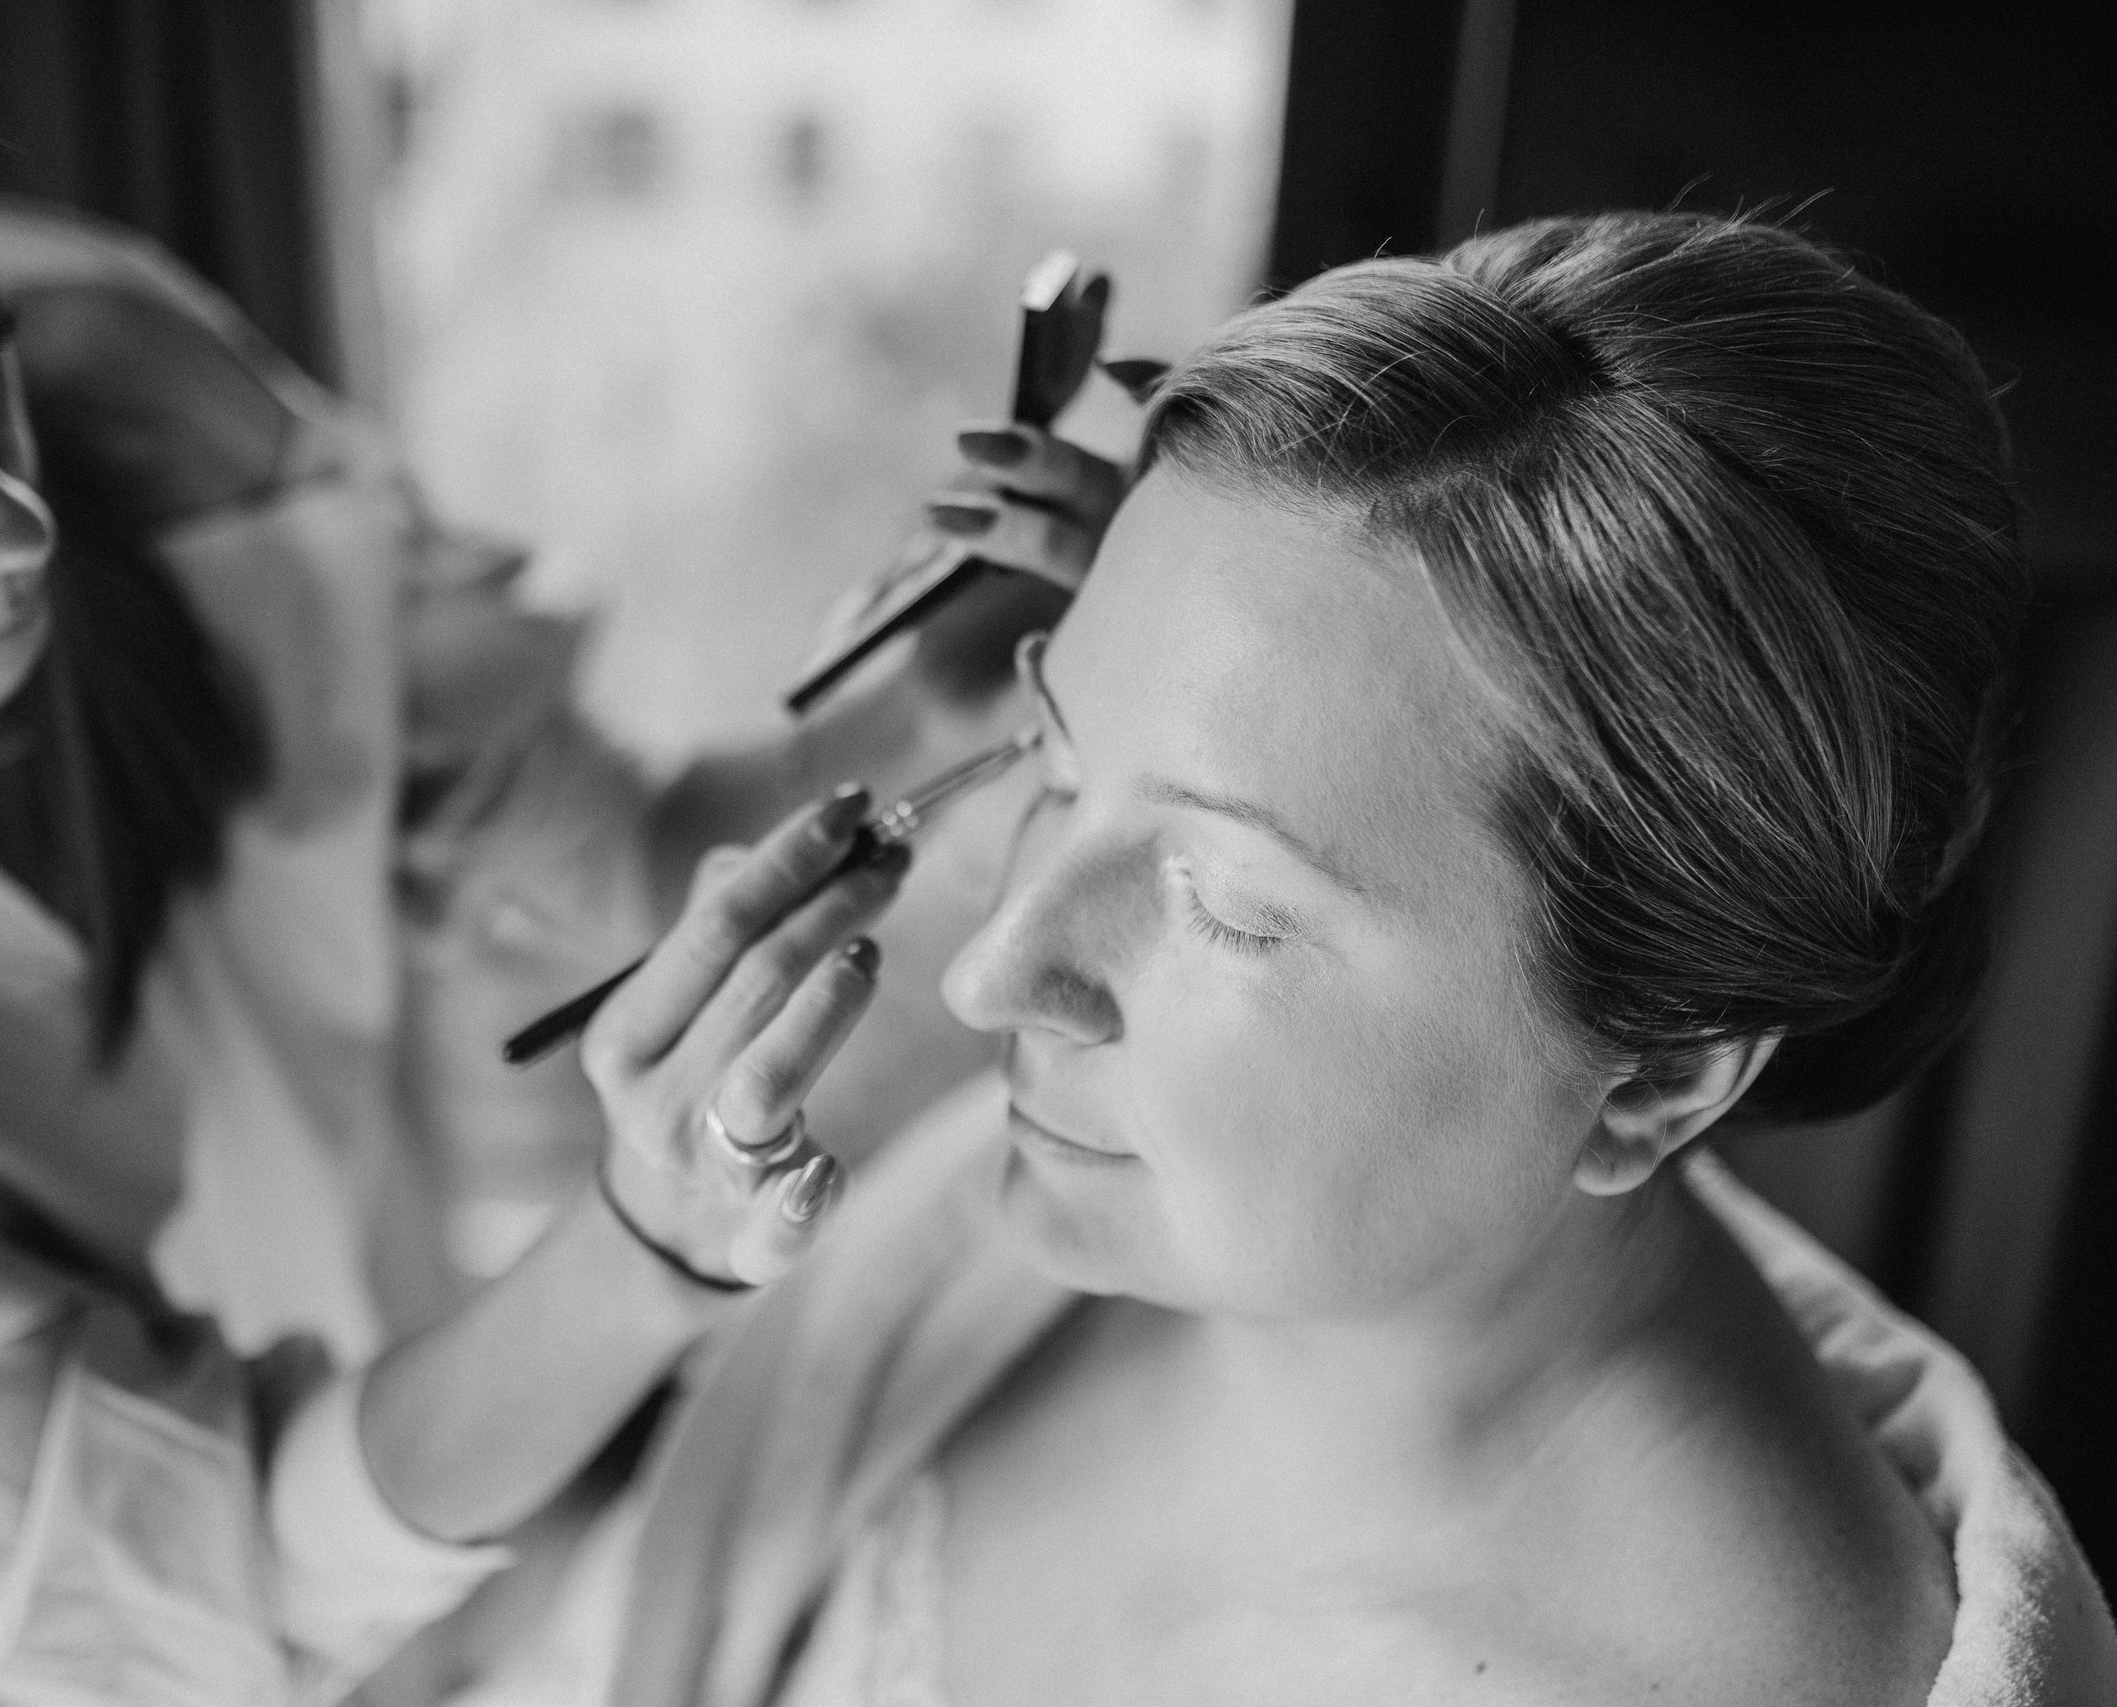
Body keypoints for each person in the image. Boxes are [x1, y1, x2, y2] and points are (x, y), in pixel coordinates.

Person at [454, 212, 2117, 1707]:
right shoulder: (1058, 1240)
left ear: (1662, 1073)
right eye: (1051, 759)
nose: (991, 978)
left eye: (1233, 907)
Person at [0, 3, 952, 1699]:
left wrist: (910, 715)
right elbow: (213, 1579)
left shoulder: (125, 392)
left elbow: (559, 876)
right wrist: (636, 1252)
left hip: (497, 1522)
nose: (11, 523)